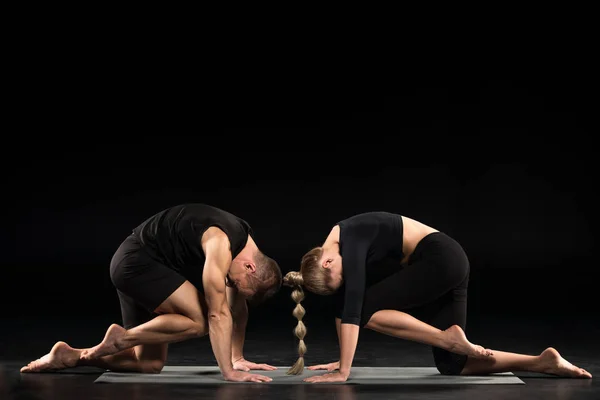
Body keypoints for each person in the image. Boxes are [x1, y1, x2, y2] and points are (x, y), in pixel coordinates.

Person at [282, 211, 592, 383]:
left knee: (357, 307)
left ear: (326, 261)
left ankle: (446, 339)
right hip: (447, 264)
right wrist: (341, 358)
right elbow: (346, 306)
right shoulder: (340, 249)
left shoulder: (353, 235)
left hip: (440, 259)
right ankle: (542, 362)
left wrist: (343, 372)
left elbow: (351, 306)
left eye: (341, 276)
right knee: (454, 366)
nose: (348, 275)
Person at [21, 203, 282, 383]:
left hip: (139, 268)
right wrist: (228, 371)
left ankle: (71, 356)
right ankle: (122, 339)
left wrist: (238, 358)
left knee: (147, 364)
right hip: (136, 264)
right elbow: (218, 315)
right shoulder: (221, 243)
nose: (230, 285)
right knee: (203, 318)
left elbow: (238, 309)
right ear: (250, 267)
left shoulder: (243, 247)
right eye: (235, 283)